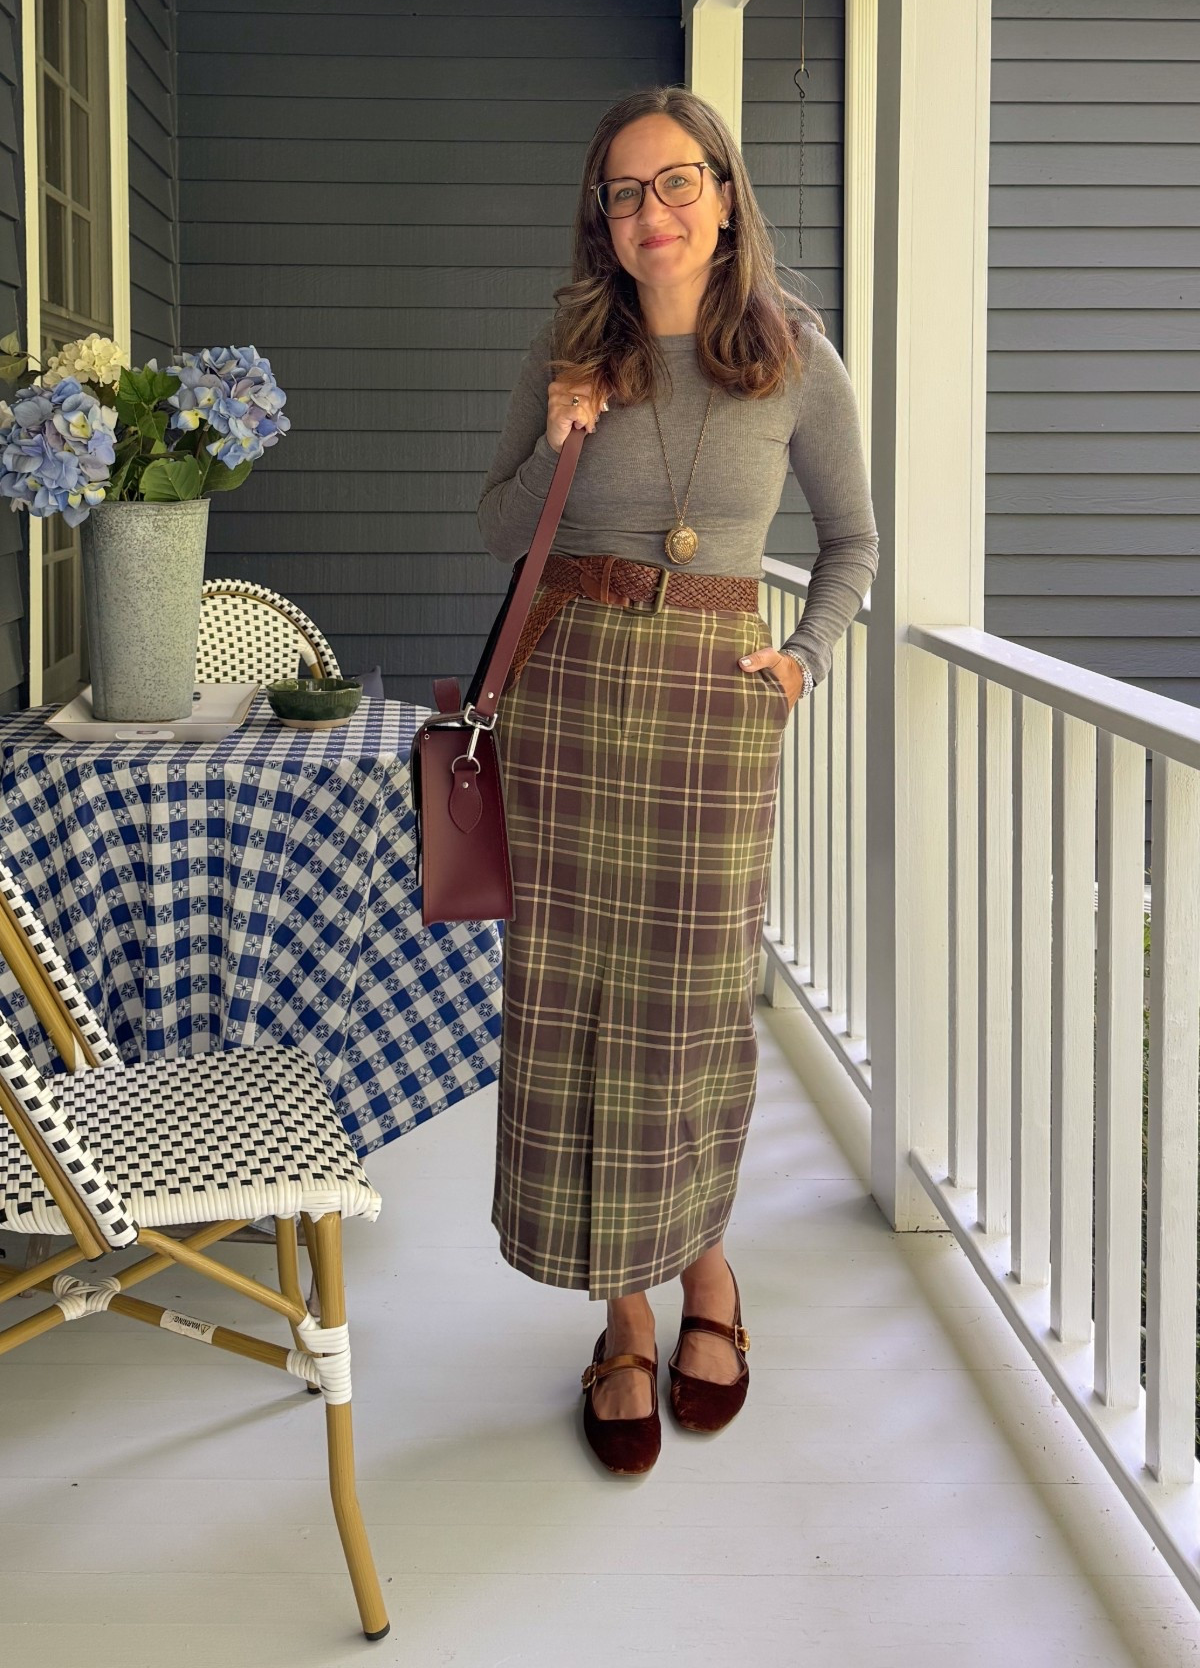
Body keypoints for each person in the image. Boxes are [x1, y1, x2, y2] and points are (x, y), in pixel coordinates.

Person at [476, 85, 878, 1475]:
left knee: (691, 1008)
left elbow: (853, 547)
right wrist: (558, 430)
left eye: (674, 183)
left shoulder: (796, 355)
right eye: (624, 193)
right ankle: (624, 1316)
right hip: (573, 692)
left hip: (713, 704)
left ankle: (711, 1275)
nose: (651, 213)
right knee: (577, 999)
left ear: (723, 190)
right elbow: (491, 519)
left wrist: (805, 661)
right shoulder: (572, 340)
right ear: (602, 217)